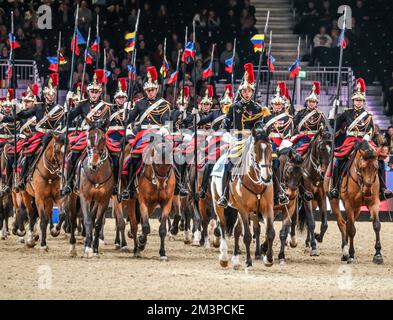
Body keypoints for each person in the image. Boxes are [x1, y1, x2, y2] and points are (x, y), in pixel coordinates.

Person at [328, 78, 393, 200]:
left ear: (363, 102)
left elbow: (371, 129)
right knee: (338, 161)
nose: (358, 102)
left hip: (365, 141)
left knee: (380, 160)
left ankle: (383, 188)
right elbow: (334, 125)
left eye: (360, 100)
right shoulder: (347, 113)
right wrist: (333, 112)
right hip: (350, 141)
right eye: (356, 100)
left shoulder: (368, 115)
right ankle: (335, 188)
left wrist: (365, 138)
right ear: (353, 101)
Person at [218, 63, 270, 208]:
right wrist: (227, 136)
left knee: (271, 160)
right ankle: (224, 194)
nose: (247, 93)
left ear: (252, 92)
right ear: (241, 92)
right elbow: (225, 125)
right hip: (238, 140)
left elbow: (259, 125)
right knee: (228, 163)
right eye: (245, 91)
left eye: (249, 91)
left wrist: (260, 132)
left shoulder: (258, 108)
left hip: (253, 140)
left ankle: (278, 192)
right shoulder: (234, 107)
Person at [120, 66, 171, 200]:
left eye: (152, 90)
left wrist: (163, 130)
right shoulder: (139, 104)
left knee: (170, 157)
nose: (150, 92)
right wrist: (126, 112)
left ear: (157, 90)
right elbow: (130, 119)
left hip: (158, 134)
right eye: (148, 90)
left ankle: (177, 186)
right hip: (142, 135)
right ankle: (130, 187)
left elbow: (166, 121)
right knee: (133, 157)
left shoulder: (164, 104)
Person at [61, 69, 112, 197]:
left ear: (100, 93)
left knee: (116, 156)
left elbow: (107, 123)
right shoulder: (82, 105)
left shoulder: (105, 106)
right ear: (88, 92)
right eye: (92, 92)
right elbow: (69, 118)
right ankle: (68, 184)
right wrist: (68, 107)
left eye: (96, 92)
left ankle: (114, 185)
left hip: (100, 136)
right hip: (86, 135)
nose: (94, 94)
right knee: (72, 156)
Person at [263, 82, 294, 205]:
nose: (277, 106)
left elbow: (287, 135)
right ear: (272, 105)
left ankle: (280, 188)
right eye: (275, 104)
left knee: (281, 160)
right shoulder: (265, 117)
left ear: (282, 105)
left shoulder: (288, 118)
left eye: (279, 104)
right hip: (266, 143)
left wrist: (280, 147)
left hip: (280, 144)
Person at [292, 81, 327, 155]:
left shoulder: (320, 114)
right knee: (296, 149)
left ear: (316, 103)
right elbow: (293, 124)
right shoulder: (300, 112)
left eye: (313, 102)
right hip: (303, 136)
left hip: (315, 137)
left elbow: (323, 127)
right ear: (307, 102)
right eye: (310, 102)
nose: (311, 104)